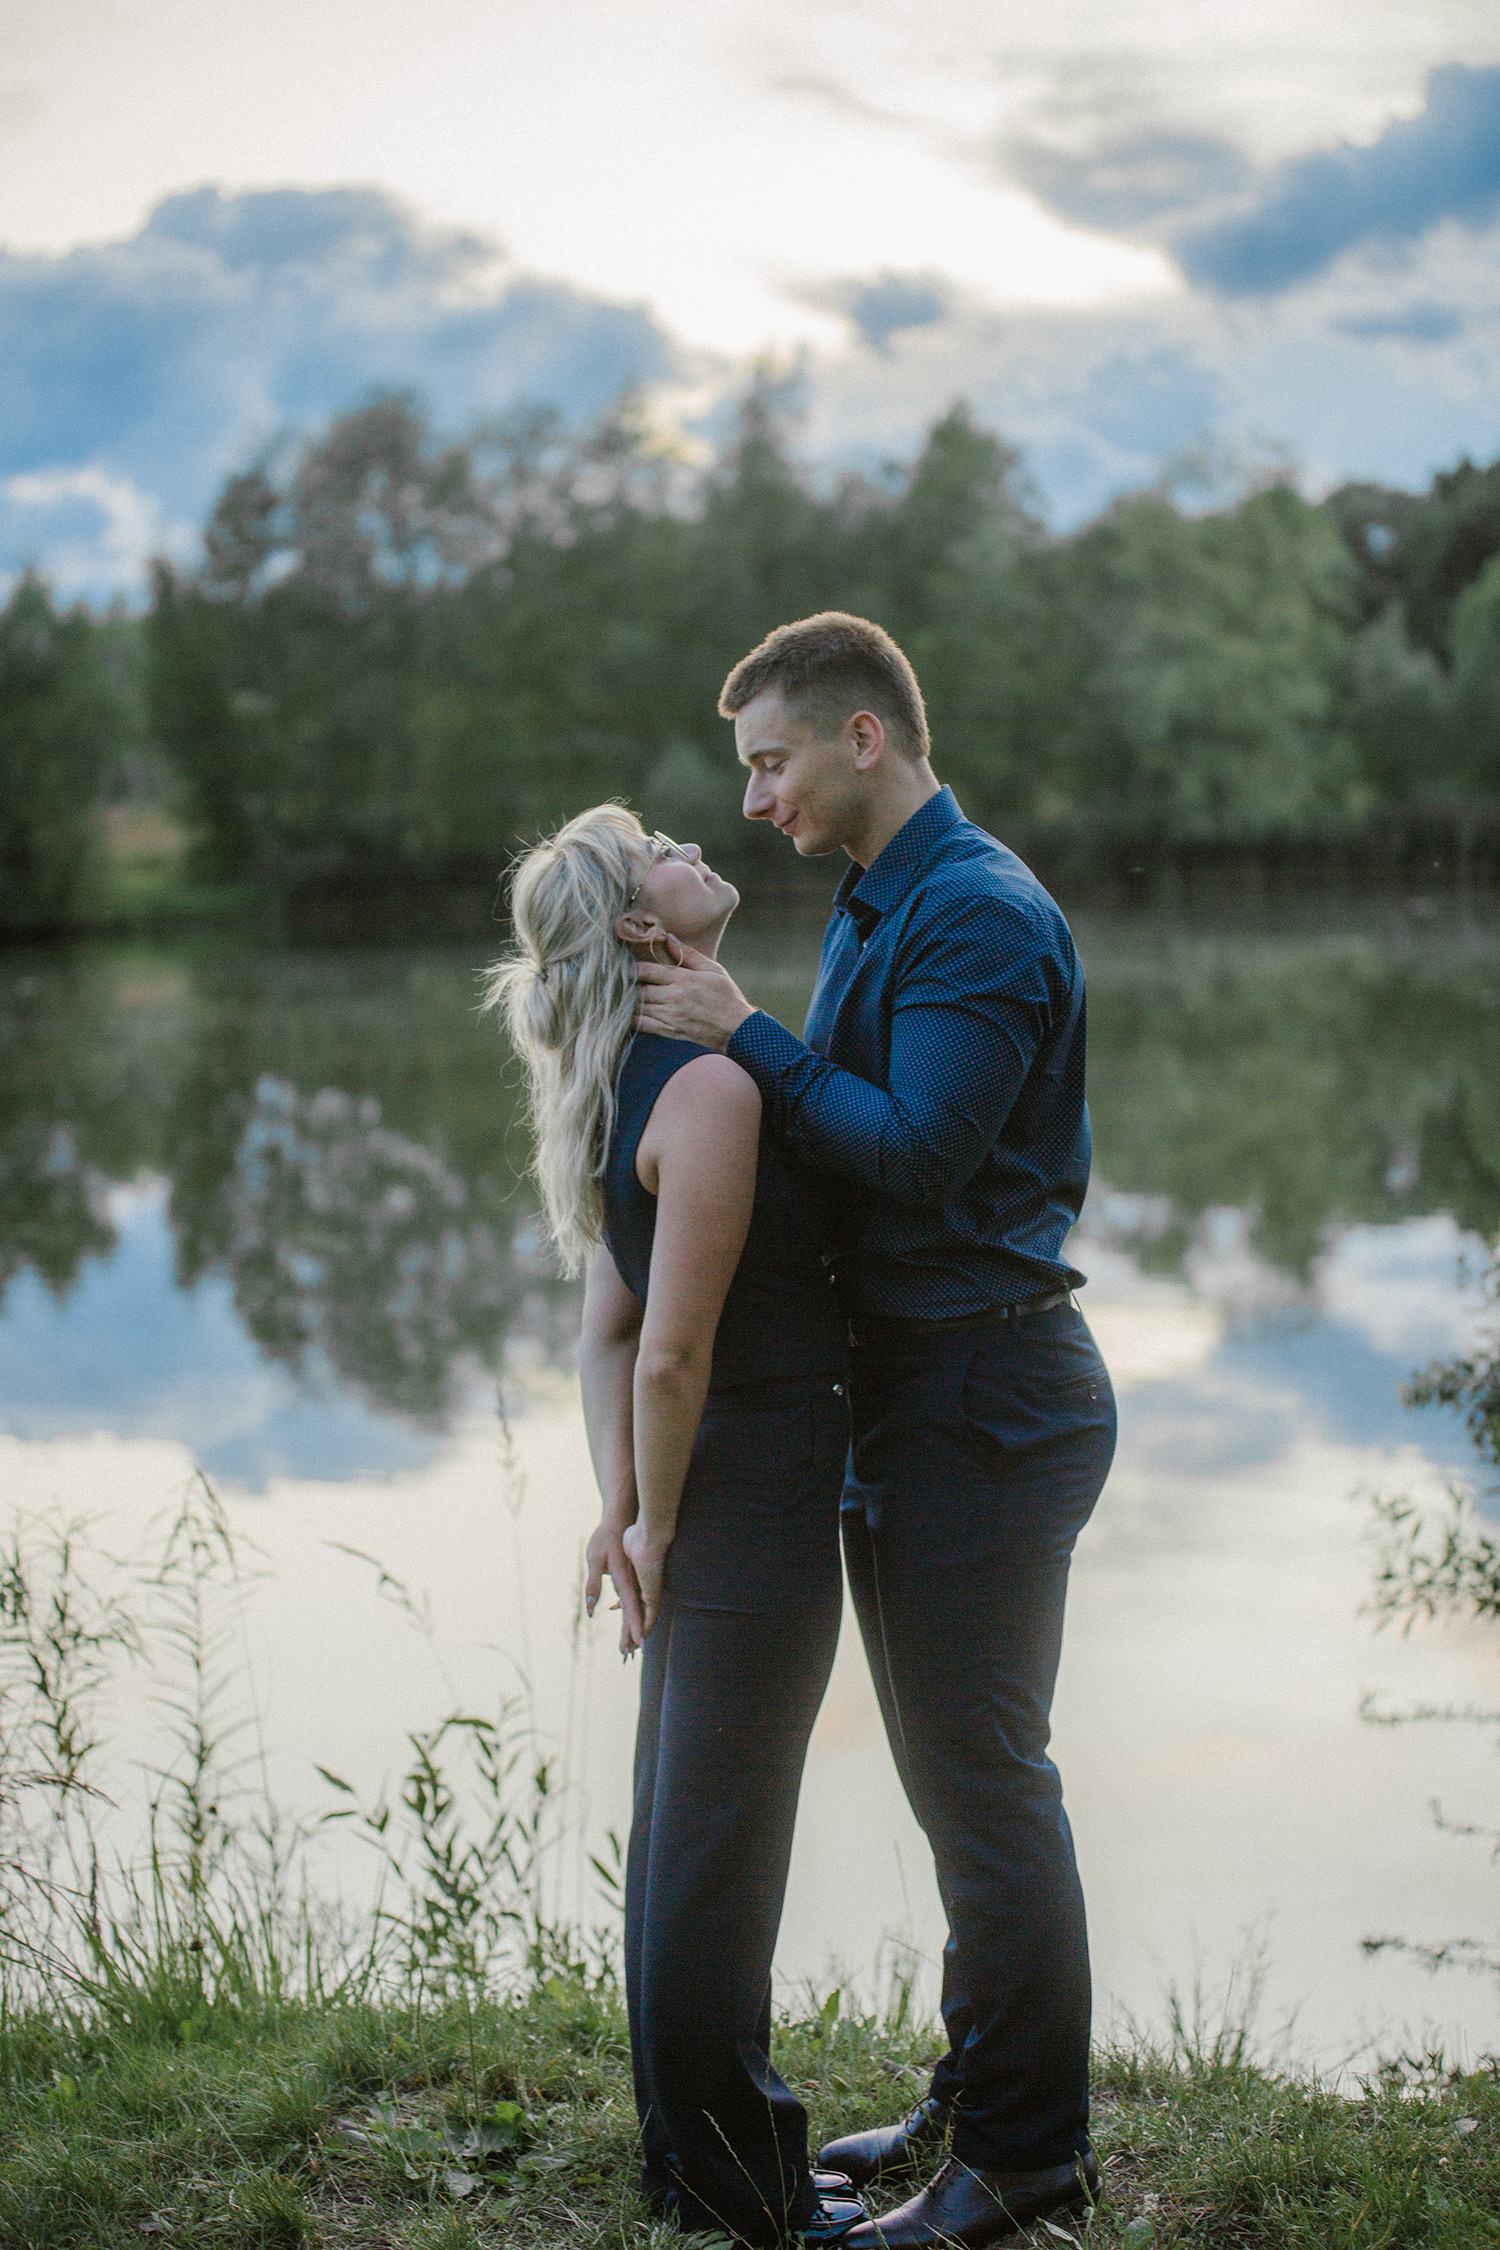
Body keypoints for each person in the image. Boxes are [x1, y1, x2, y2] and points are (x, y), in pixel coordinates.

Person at [635, 614, 1118, 2250]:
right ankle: (978, 2095)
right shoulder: (877, 902)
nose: (753, 798)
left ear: (862, 737)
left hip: (991, 1396)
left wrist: (743, 1031)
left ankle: (1026, 2164)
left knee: (986, 1783)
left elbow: (916, 1154)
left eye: (770, 761)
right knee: (950, 1778)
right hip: (918, 1396)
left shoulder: (975, 910)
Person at [485, 804, 862, 2248]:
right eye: (652, 842)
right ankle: (739, 2186)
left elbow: (608, 1331)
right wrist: (650, 1521)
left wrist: (628, 1505)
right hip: (753, 1480)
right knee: (723, 1837)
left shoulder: (620, 1080)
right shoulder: (707, 1089)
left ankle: (692, 2160)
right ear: (643, 927)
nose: (687, 839)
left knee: (686, 1825)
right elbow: (664, 1354)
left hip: (710, 1484)